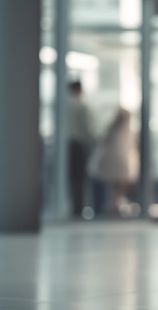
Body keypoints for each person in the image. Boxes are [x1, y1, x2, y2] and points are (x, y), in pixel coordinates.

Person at [88, 108, 139, 217]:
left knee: (113, 188)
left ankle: (112, 206)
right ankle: (114, 206)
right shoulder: (128, 132)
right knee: (117, 187)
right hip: (120, 165)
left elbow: (101, 141)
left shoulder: (111, 129)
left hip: (109, 164)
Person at [66, 80, 94, 217]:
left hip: (65, 146)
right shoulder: (81, 107)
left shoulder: (62, 106)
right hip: (77, 145)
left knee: (68, 178)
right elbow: (86, 129)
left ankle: (69, 206)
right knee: (78, 179)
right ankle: (77, 209)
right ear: (79, 89)